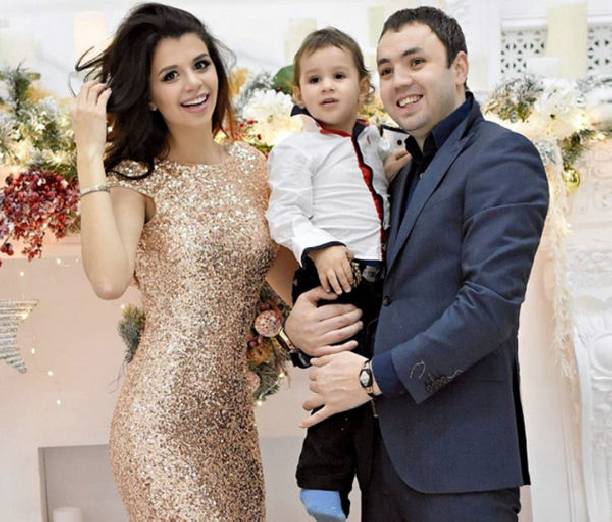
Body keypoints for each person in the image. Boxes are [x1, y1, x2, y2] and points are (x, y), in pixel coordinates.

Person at [283, 6, 549, 521]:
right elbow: (378, 294)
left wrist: (370, 378)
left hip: (460, 468)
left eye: (415, 62)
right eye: (385, 70)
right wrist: (300, 329)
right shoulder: (395, 174)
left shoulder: (502, 156)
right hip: (382, 466)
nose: (399, 81)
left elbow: (489, 307)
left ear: (459, 67)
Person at [71, 3, 294, 520]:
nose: (193, 83)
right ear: (149, 96)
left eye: (200, 64)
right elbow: (108, 281)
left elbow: (292, 285)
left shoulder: (252, 167)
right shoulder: (135, 178)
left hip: (232, 424)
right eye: (170, 75)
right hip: (159, 426)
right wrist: (87, 153)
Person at [266, 28, 409, 521]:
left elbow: (369, 196)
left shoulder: (372, 141)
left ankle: (359, 483)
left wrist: (390, 173)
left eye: (338, 76)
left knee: (363, 380)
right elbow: (283, 214)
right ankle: (321, 481)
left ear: (364, 86)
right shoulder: (296, 149)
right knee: (337, 375)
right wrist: (321, 247)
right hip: (333, 276)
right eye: (314, 79)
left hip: (376, 278)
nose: (326, 86)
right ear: (297, 92)